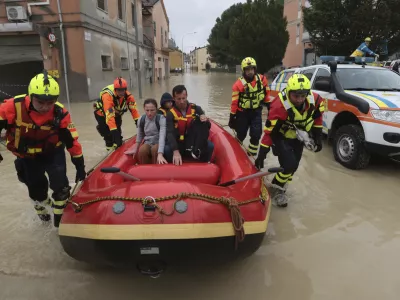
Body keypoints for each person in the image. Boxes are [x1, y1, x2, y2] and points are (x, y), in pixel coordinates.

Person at [0, 71, 86, 227]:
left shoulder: (60, 113)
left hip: (53, 153)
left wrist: (80, 165)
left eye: (50, 102)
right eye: (40, 102)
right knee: (37, 191)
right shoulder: (12, 107)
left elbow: (72, 142)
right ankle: (44, 215)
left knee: (61, 189)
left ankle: (59, 227)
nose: (45, 107)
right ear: (31, 96)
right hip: (27, 156)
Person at [254, 74, 325, 208]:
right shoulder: (278, 106)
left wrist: (318, 138)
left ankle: (281, 186)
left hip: (298, 138)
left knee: (293, 167)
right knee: (289, 165)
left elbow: (317, 120)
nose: (299, 100)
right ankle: (277, 188)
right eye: (296, 96)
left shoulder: (315, 101)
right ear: (288, 92)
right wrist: (262, 153)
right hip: (280, 137)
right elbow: (269, 131)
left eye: (302, 96)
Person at [229, 57, 271, 156]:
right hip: (242, 113)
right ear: (243, 71)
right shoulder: (238, 85)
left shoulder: (262, 80)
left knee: (256, 135)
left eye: (252, 69)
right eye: (247, 69)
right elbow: (234, 102)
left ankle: (251, 155)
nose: (250, 72)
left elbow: (267, 95)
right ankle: (236, 153)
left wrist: (270, 109)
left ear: (255, 69)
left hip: (256, 112)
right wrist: (232, 117)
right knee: (241, 134)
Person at [164, 85, 214, 165]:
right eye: (178, 99)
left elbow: (206, 128)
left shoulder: (197, 109)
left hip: (194, 142)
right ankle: (173, 169)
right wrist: (175, 150)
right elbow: (170, 133)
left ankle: (204, 166)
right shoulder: (170, 114)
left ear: (186, 96)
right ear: (173, 99)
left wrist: (205, 120)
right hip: (179, 143)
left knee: (210, 146)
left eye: (183, 98)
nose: (181, 101)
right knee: (166, 149)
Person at [93, 77, 140, 151]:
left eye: (123, 90)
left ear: (126, 89)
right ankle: (109, 151)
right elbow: (109, 116)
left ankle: (117, 146)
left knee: (118, 133)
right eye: (119, 90)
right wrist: (113, 132)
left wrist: (139, 123)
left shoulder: (129, 96)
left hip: (116, 114)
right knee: (108, 135)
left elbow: (134, 111)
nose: (121, 92)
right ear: (115, 90)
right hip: (101, 114)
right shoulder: (107, 96)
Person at [124, 99, 168, 164]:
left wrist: (160, 153)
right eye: (147, 110)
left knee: (155, 149)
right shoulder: (141, 119)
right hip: (147, 142)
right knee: (142, 150)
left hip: (158, 142)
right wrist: (135, 149)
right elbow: (139, 135)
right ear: (144, 109)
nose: (149, 113)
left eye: (152, 110)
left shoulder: (161, 119)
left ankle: (157, 168)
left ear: (156, 109)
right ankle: (144, 169)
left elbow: (162, 136)